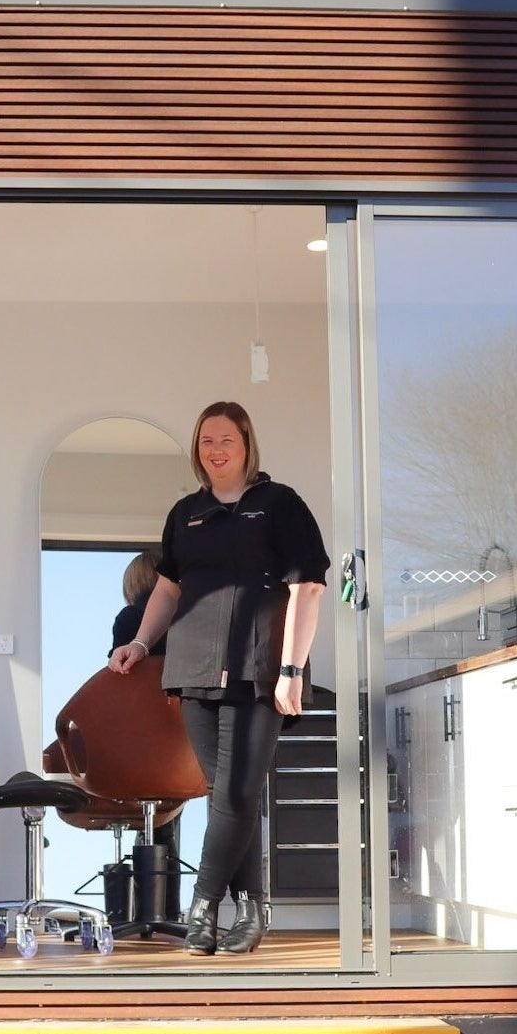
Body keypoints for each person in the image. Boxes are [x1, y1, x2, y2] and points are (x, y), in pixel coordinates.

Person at [108, 401, 329, 956]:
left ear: (247, 444)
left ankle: (202, 907)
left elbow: (308, 588)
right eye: (207, 440)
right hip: (195, 669)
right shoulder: (186, 514)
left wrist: (292, 669)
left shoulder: (280, 505)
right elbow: (168, 589)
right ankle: (252, 910)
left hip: (261, 670)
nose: (216, 450)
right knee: (228, 796)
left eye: (226, 439)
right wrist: (140, 643)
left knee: (235, 792)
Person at [107, 549, 181, 919]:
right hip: (180, 738)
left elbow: (118, 683)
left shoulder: (128, 620)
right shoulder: (186, 618)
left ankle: (141, 913)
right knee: (169, 817)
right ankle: (167, 912)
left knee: (152, 816)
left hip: (139, 740)